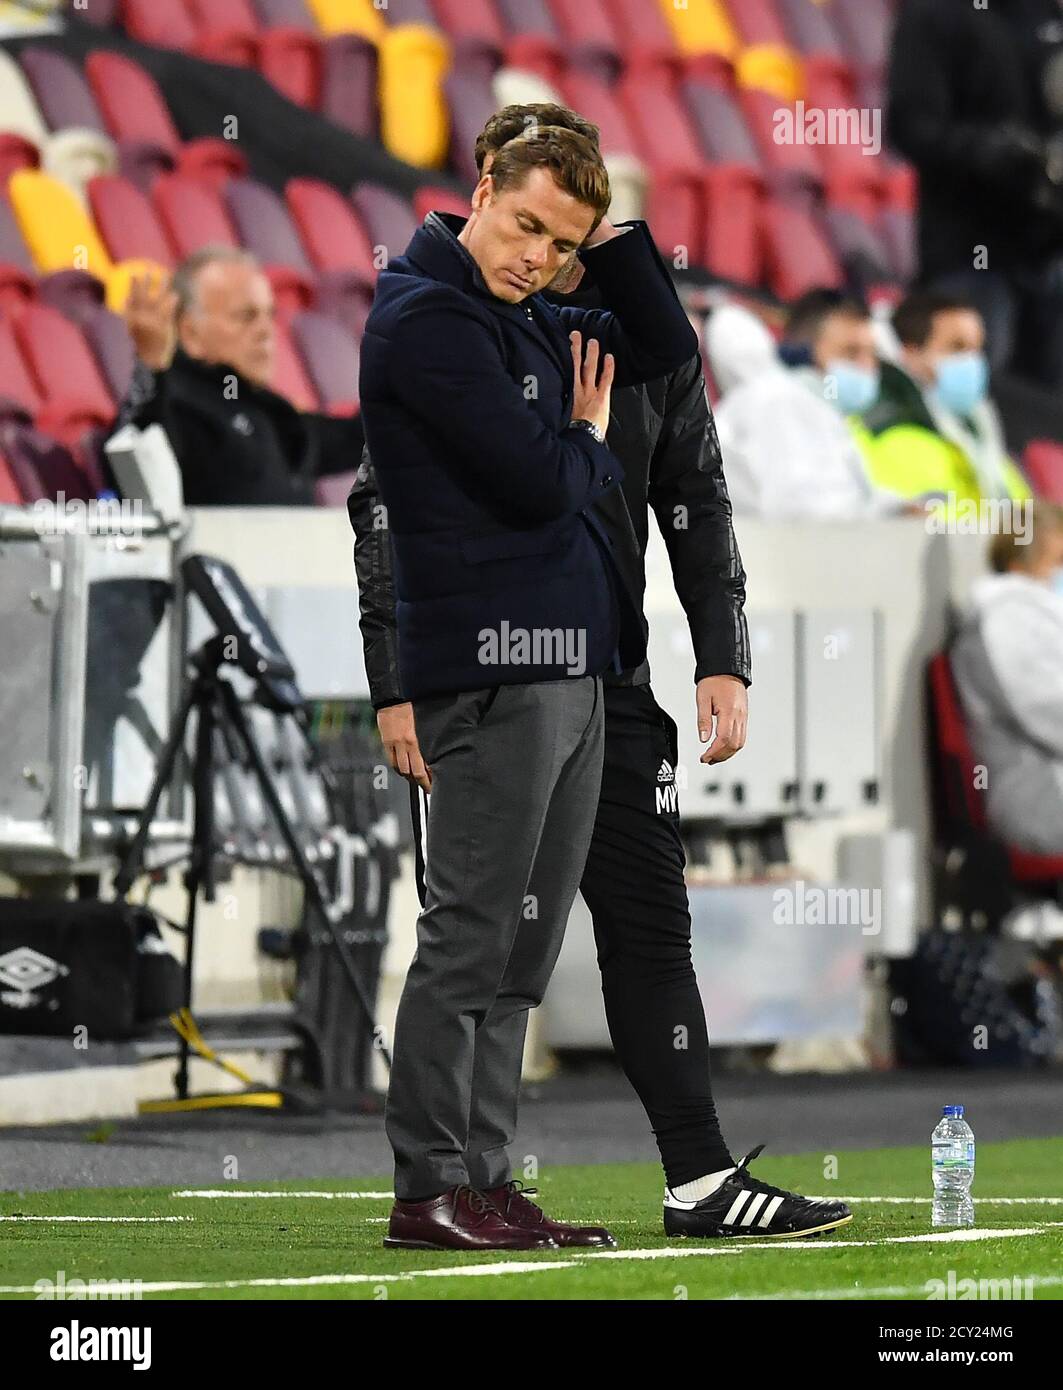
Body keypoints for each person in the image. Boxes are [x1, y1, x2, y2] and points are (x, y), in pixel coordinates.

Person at [351, 104, 853, 1244]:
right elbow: (445, 500)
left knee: (559, 942)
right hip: (495, 664)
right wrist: (393, 683)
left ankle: (547, 1177)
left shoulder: (549, 311)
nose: (539, 257)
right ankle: (437, 1184)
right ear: (478, 186)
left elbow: (673, 390)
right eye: (525, 223)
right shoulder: (440, 319)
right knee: (474, 938)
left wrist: (602, 231)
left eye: (564, 242)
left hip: (593, 666)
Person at [888, 0, 1063, 386]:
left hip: (1049, 254)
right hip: (970, 255)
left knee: (1050, 419)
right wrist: (996, 152)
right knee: (982, 397)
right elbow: (910, 126)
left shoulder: (1045, 15)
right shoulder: (937, 12)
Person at [111, 246, 362, 506]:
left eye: (269, 315)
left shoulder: (264, 410)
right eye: (246, 316)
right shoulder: (174, 401)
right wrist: (150, 368)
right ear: (190, 332)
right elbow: (135, 463)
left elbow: (353, 438)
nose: (266, 331)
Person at [707, 293, 902, 519]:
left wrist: (897, 508)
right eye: (851, 352)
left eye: (872, 354)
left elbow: (845, 498)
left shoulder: (817, 410)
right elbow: (805, 513)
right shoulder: (778, 401)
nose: (866, 366)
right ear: (802, 353)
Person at [952, 504, 1063, 855]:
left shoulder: (1036, 614)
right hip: (1038, 793)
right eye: (1057, 561)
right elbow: (1051, 713)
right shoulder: (1006, 621)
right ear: (1019, 562)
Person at [862, 292, 1032, 512]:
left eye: (977, 348)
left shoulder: (982, 441)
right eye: (957, 347)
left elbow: (1031, 528)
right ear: (910, 354)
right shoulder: (894, 438)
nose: (973, 361)